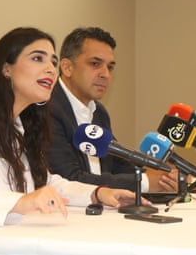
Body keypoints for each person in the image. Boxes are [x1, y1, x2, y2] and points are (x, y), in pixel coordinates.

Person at [0, 27, 148, 227]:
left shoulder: (24, 126)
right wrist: (19, 202)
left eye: (53, 62)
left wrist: (97, 193)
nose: (50, 69)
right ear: (6, 68)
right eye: (38, 58)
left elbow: (47, 184)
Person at [45, 27, 179, 192]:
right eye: (95, 64)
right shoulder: (47, 108)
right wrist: (144, 182)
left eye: (110, 67)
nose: (106, 74)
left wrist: (163, 177)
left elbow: (118, 164)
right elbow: (69, 179)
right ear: (67, 68)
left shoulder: (98, 111)